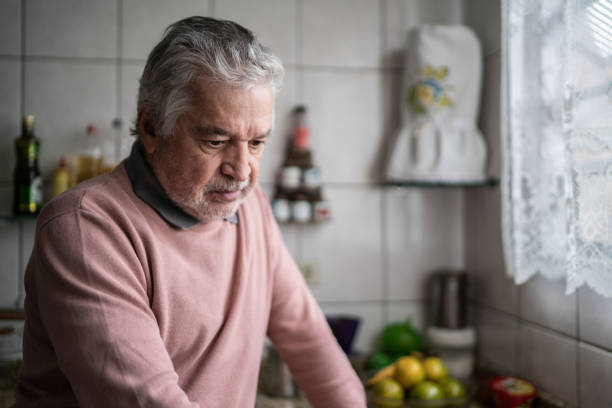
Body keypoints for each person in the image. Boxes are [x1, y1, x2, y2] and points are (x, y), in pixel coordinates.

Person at [13, 16, 366, 408]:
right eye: (217, 141)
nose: (243, 169)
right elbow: (146, 401)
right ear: (151, 127)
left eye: (256, 142)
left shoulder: (251, 208)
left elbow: (307, 336)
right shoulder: (87, 227)